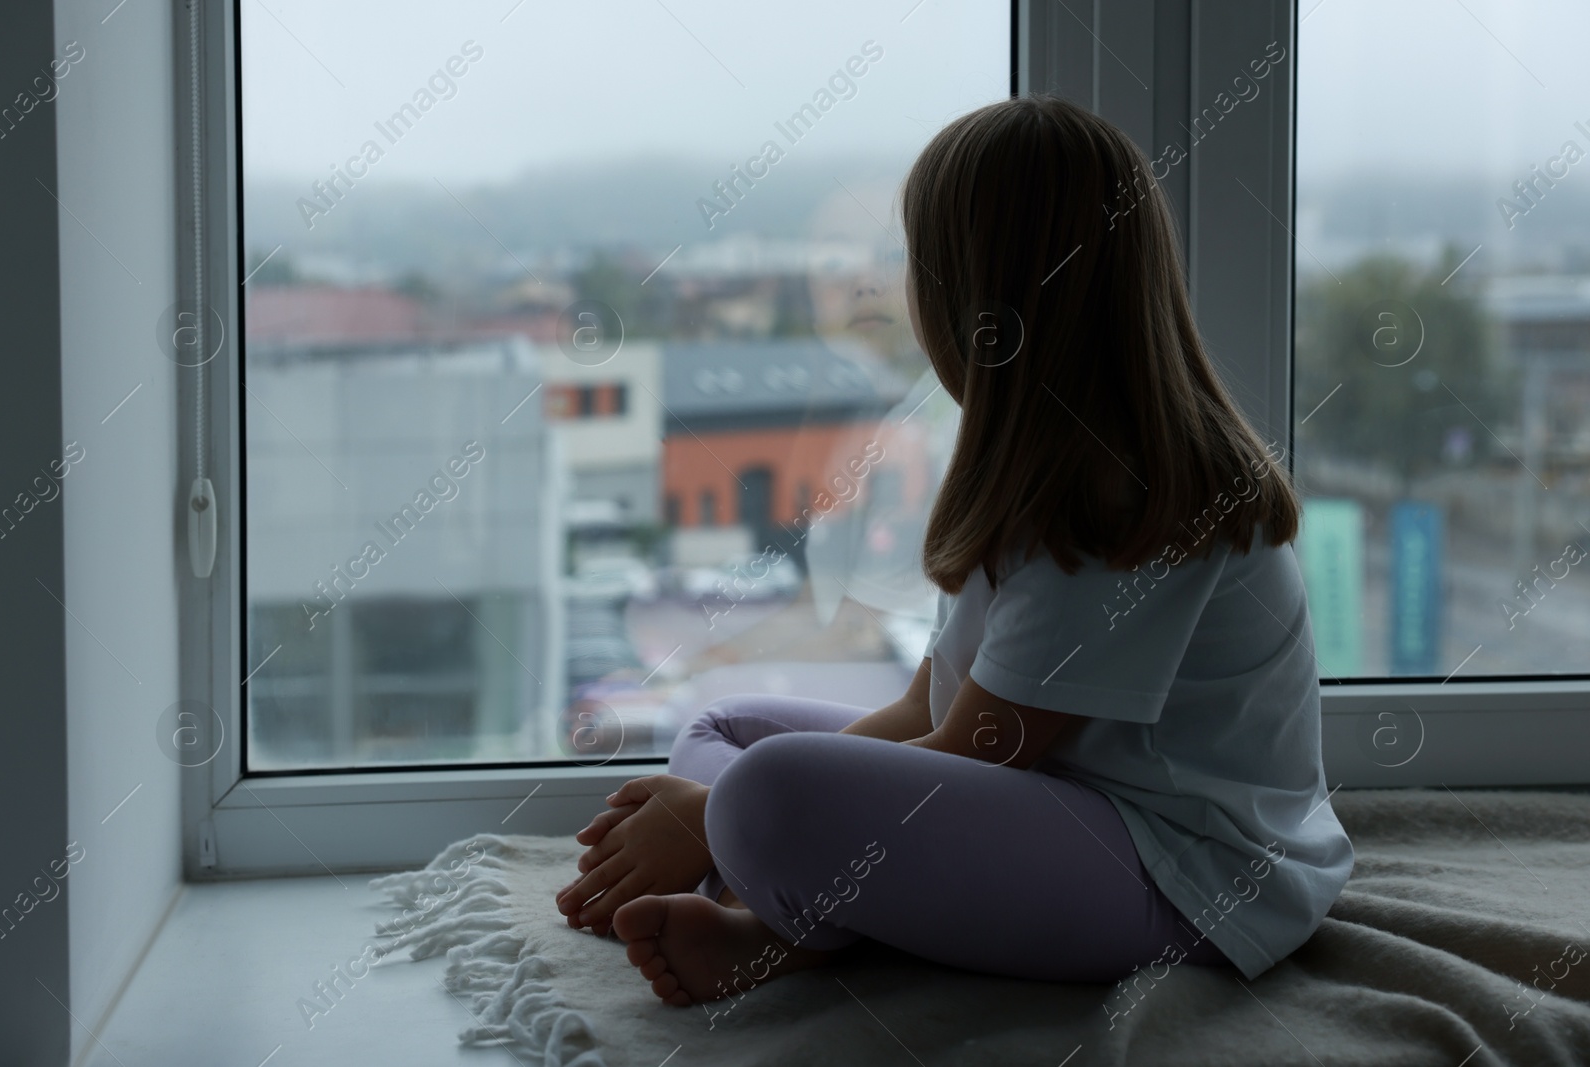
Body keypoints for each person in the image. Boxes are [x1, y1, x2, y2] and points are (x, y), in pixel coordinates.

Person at [554, 93, 1354, 1009]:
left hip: (1182, 880)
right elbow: (919, 707)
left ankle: (787, 924)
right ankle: (781, 890)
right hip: (1056, 803)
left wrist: (713, 818)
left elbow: (979, 750)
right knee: (727, 731)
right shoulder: (1032, 464)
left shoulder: (1121, 495)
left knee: (761, 792)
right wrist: (720, 810)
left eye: (917, 267)